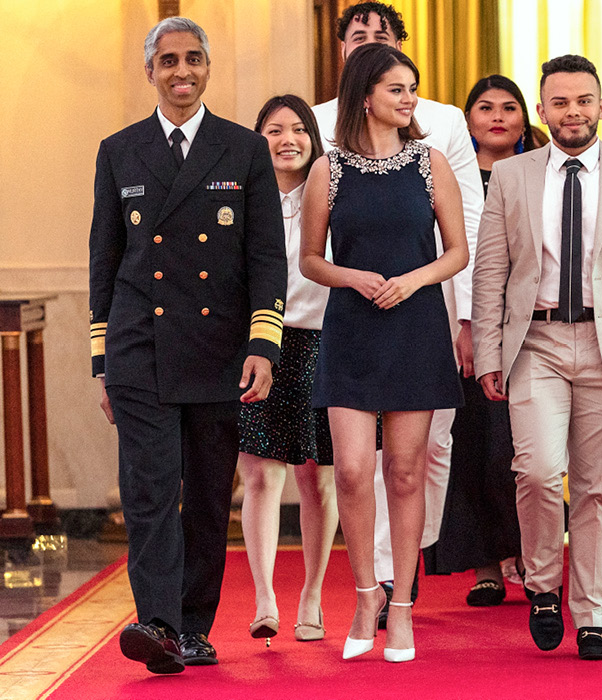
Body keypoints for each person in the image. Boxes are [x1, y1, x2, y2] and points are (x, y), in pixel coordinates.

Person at [89, 17, 287, 673]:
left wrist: (264, 342)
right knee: (149, 492)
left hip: (219, 347)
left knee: (205, 495)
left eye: (193, 59)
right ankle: (160, 625)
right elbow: (104, 259)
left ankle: (194, 625)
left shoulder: (242, 149)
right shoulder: (119, 150)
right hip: (139, 344)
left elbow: (266, 257)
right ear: (150, 70)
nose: (182, 71)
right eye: (169, 60)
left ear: (208, 68)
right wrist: (101, 361)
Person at [472, 54, 602, 660]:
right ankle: (542, 585)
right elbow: (491, 270)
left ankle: (592, 616)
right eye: (559, 102)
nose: (572, 112)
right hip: (534, 343)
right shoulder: (513, 177)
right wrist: (487, 348)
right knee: (535, 471)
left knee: (595, 489)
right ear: (542, 110)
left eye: (583, 100)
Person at [310, 2, 484, 620]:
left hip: (416, 321)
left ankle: (399, 596)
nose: (410, 99)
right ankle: (366, 593)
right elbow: (309, 257)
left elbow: (462, 245)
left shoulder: (433, 151)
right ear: (364, 93)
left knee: (412, 467)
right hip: (350, 325)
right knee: (353, 472)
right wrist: (353, 278)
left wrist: (426, 293)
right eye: (397, 89)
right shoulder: (326, 162)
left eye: (412, 88)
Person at [422, 74, 531, 607]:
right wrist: (465, 321)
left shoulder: (541, 172)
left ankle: (531, 557)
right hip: (458, 330)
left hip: (528, 330)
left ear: (524, 119)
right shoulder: (449, 176)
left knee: (517, 452)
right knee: (467, 448)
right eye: (484, 107)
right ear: (466, 121)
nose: (496, 116)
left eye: (508, 107)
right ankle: (485, 565)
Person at [237, 95, 337, 646]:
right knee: (259, 475)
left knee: (318, 478)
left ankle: (313, 595)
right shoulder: (242, 198)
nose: (287, 139)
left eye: (299, 129)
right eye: (273, 130)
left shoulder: (335, 193)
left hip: (323, 342)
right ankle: (264, 597)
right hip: (260, 345)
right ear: (258, 139)